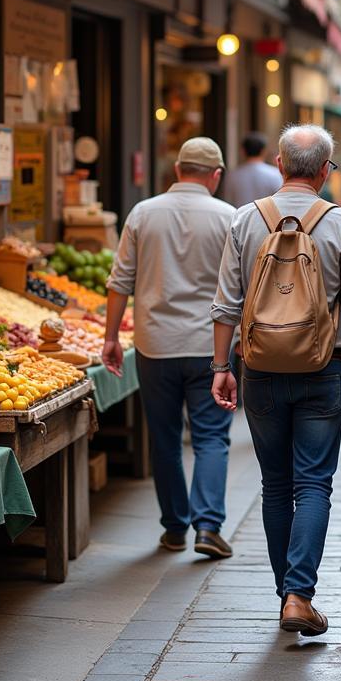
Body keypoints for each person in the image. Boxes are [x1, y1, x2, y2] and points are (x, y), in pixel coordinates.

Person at [211, 124, 341, 637]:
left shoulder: (244, 219)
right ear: (324, 171)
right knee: (314, 483)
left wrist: (220, 367)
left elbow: (227, 303)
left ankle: (286, 596)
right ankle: (300, 594)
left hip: (260, 369)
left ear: (279, 164)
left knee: (275, 485)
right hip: (323, 367)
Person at [104, 137, 235, 559]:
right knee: (211, 436)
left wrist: (109, 338)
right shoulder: (229, 217)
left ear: (176, 169)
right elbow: (240, 289)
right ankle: (208, 525)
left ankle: (175, 528)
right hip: (209, 346)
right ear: (215, 175)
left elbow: (119, 280)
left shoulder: (144, 212)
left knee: (163, 439)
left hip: (154, 344)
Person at [221, 132, 282, 208]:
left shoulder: (231, 175)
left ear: (243, 151)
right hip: (267, 219)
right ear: (264, 151)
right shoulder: (276, 174)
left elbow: (227, 201)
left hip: (240, 218)